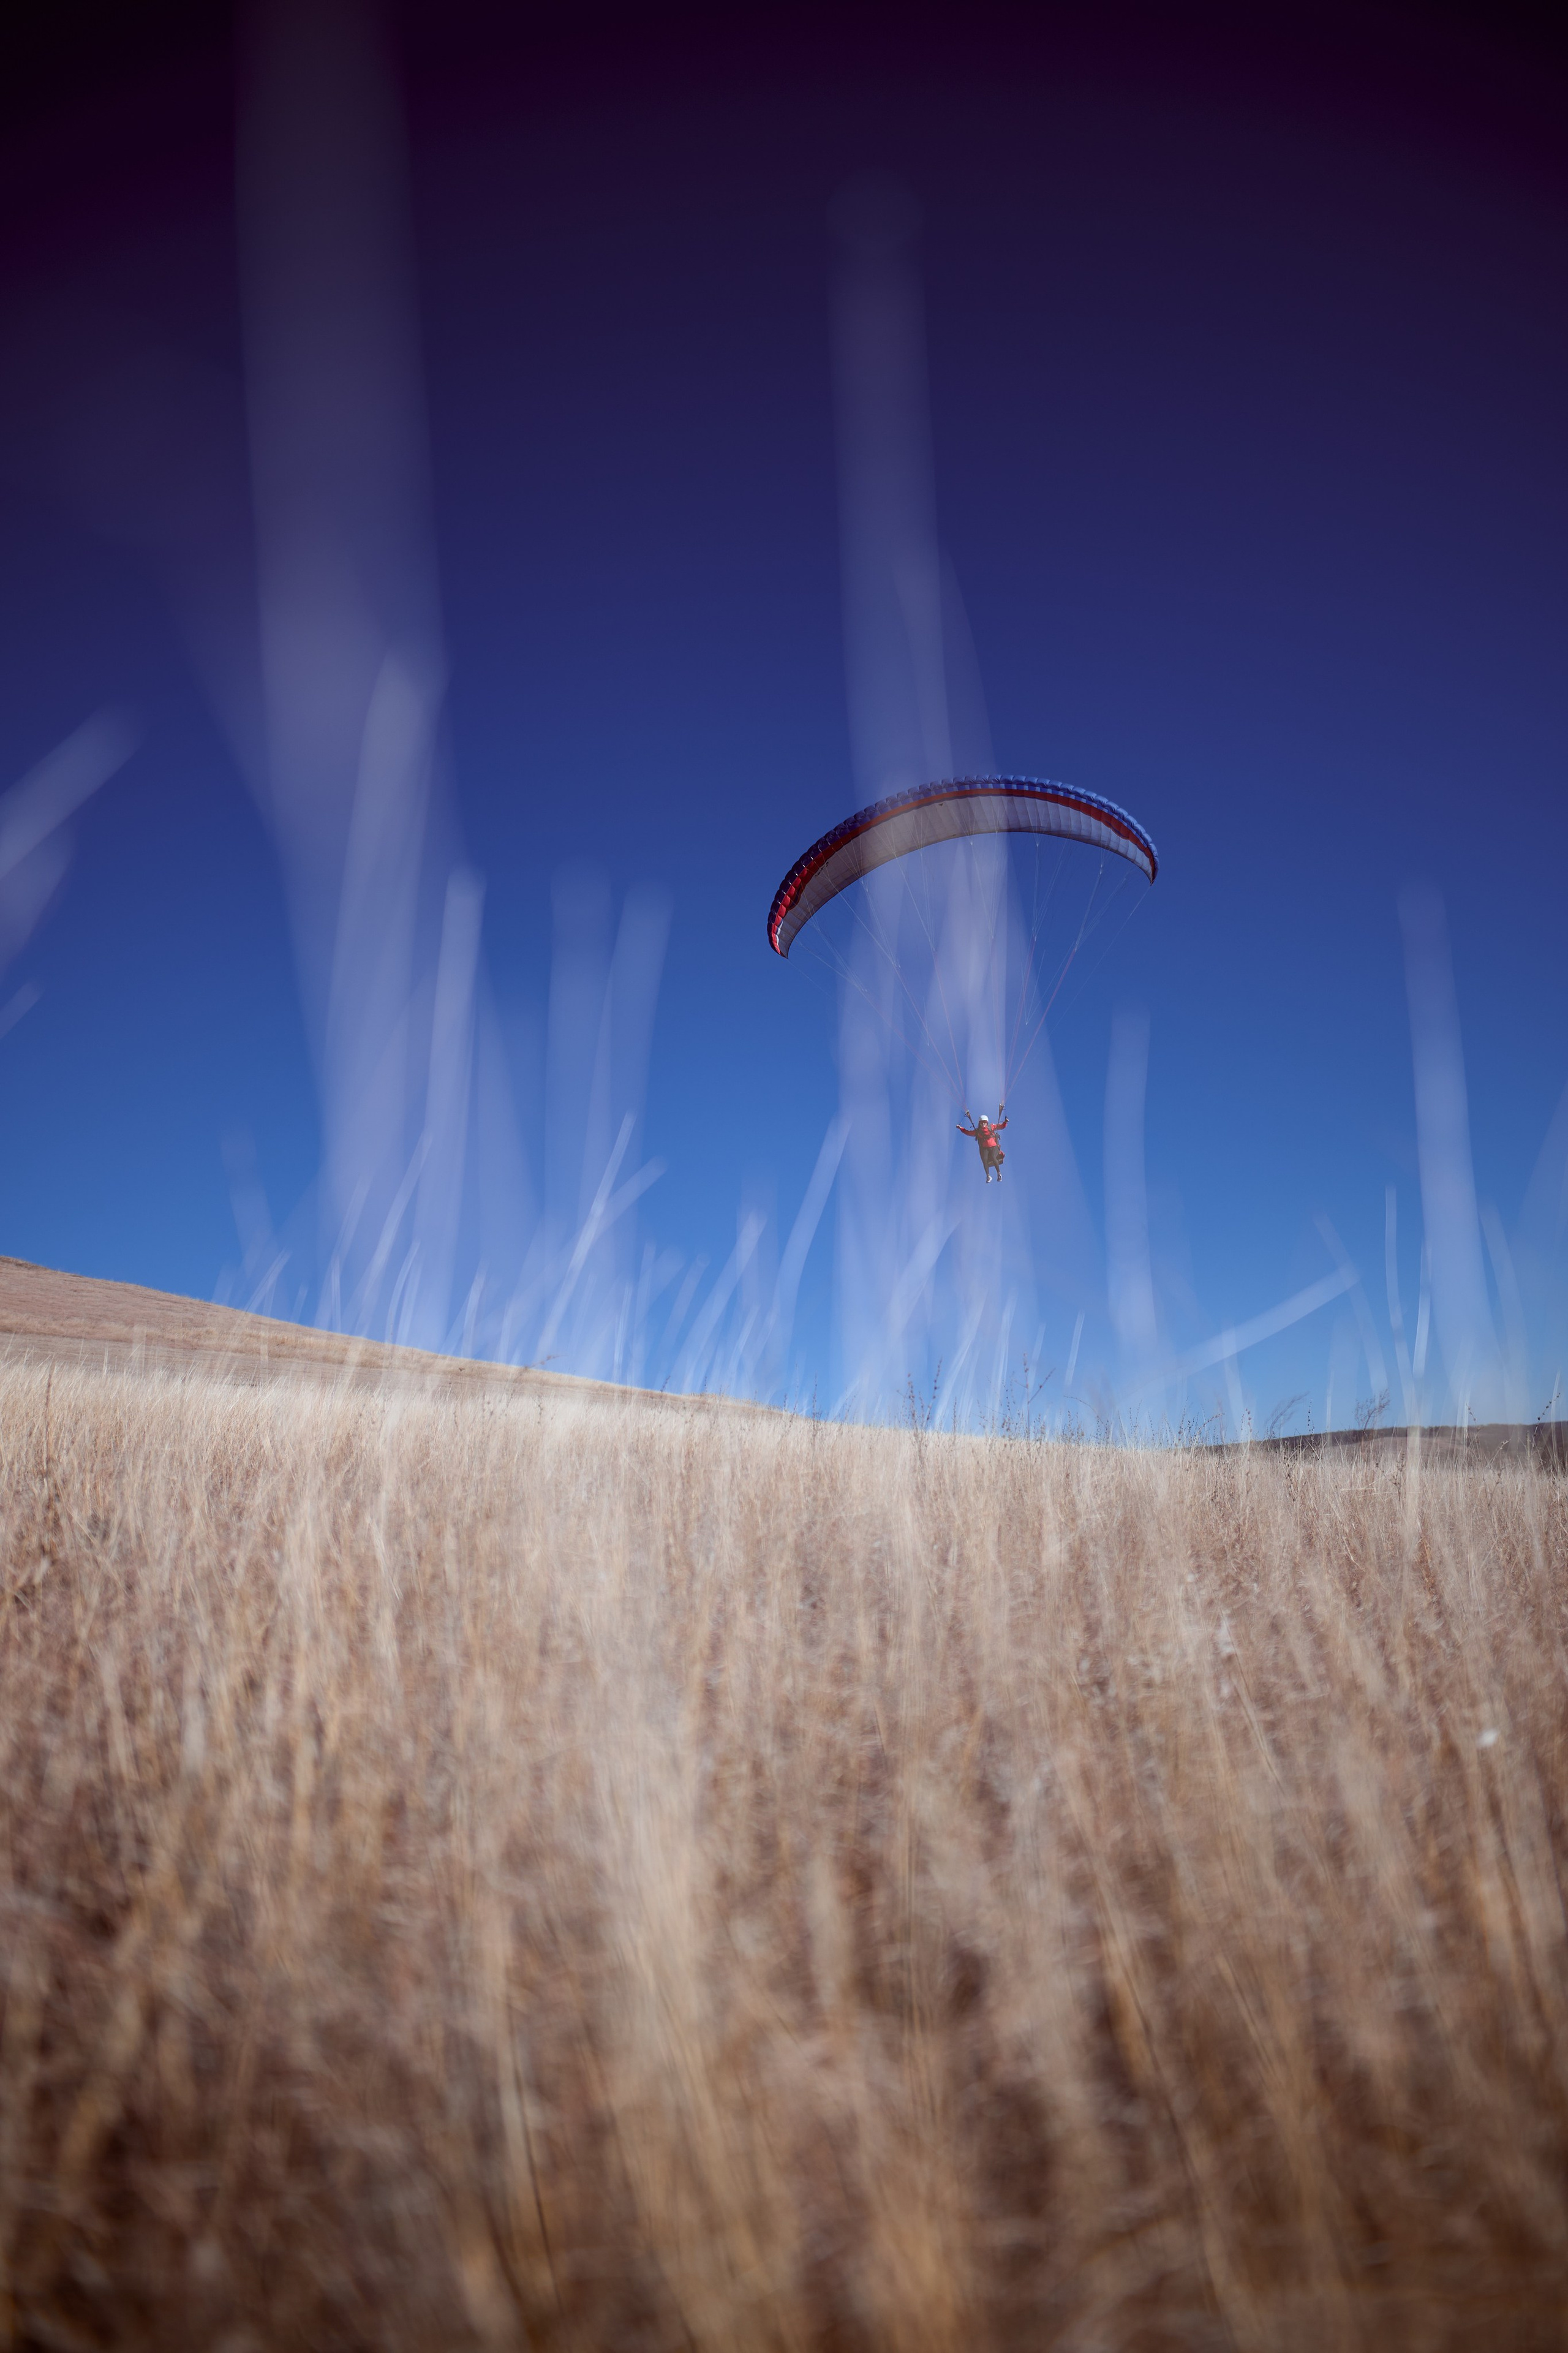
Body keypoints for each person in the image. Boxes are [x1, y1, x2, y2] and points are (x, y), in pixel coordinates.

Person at [958, 1106, 1008, 1182]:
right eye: (982, 1123)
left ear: (987, 1123)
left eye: (985, 1123)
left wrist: (1005, 1122)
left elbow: (1001, 1127)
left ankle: (999, 1174)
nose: (983, 1124)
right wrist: (961, 1128)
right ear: (980, 1123)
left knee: (994, 1157)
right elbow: (968, 1132)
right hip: (984, 1148)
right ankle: (988, 1176)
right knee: (985, 1161)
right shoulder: (978, 1132)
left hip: (993, 1146)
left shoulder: (991, 1127)